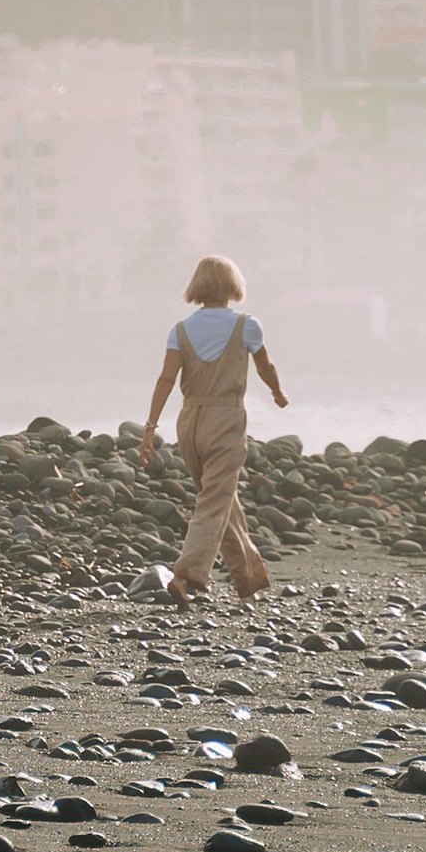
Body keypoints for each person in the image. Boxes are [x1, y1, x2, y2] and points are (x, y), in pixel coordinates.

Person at [138, 253, 290, 602]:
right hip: (226, 418)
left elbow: (165, 379)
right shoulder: (246, 325)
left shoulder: (180, 330)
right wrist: (277, 392)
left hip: (189, 421)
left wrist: (150, 428)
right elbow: (265, 365)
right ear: (232, 286)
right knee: (213, 501)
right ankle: (186, 576)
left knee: (221, 499)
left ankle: (248, 583)